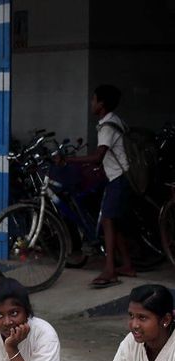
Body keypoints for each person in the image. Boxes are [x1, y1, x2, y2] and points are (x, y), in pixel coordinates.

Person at [68, 84, 133, 288]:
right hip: (121, 176)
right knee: (114, 223)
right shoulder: (115, 120)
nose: (92, 103)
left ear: (101, 104)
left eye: (94, 100)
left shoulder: (107, 126)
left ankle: (110, 270)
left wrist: (70, 160)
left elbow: (98, 156)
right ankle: (128, 265)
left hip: (118, 178)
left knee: (106, 221)